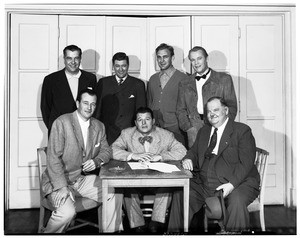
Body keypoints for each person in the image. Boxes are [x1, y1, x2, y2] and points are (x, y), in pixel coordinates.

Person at [168, 96, 260, 233]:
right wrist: (188, 159)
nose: (212, 114)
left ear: (226, 110)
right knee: (181, 193)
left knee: (237, 201)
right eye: (209, 111)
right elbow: (193, 151)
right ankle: (175, 233)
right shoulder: (204, 131)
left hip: (238, 182)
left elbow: (246, 163)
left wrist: (231, 184)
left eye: (216, 110)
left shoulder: (242, 131)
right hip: (204, 182)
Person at [40, 88, 123, 233]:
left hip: (80, 180)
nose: (89, 107)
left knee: (113, 191)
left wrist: (97, 161)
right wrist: (62, 187)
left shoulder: (99, 126)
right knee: (67, 213)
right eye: (85, 103)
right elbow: (53, 158)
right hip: (57, 181)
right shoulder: (62, 122)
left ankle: (111, 233)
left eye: (93, 104)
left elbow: (106, 151)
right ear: (78, 103)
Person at [111, 107, 187, 234]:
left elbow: (182, 151)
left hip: (158, 181)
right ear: (135, 123)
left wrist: (161, 157)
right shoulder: (126, 134)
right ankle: (137, 225)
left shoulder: (165, 135)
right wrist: (131, 155)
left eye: (147, 119)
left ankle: (156, 223)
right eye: (140, 120)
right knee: (125, 187)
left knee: (168, 186)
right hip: (135, 180)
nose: (144, 123)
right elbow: (112, 149)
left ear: (153, 121)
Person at [176, 46, 237, 148]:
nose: (196, 63)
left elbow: (231, 107)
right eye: (193, 60)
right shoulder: (184, 83)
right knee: (197, 161)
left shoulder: (224, 79)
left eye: (199, 58)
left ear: (207, 59)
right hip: (194, 129)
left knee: (218, 159)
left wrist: (223, 127)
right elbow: (180, 110)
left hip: (218, 126)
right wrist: (188, 128)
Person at [41, 44, 97, 134]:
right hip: (59, 131)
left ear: (80, 59)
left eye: (76, 58)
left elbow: (94, 105)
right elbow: (45, 108)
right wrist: (54, 129)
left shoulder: (90, 78)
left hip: (85, 132)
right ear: (64, 59)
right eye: (69, 58)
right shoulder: (50, 80)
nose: (73, 62)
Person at [94, 52, 146, 145]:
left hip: (130, 135)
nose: (121, 69)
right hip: (107, 134)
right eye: (117, 66)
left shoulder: (138, 84)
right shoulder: (103, 83)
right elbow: (97, 111)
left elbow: (141, 113)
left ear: (128, 66)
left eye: (124, 66)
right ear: (113, 67)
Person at [147, 43, 189, 146]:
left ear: (172, 57)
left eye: (165, 57)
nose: (162, 60)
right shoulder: (153, 79)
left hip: (176, 130)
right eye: (159, 57)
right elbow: (149, 103)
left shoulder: (184, 79)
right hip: (155, 130)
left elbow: (188, 107)